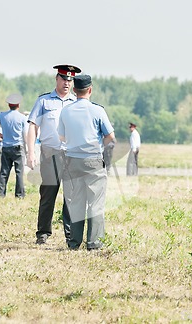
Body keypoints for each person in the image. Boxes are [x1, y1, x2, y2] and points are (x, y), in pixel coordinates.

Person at [58, 74, 115, 250]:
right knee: (95, 202)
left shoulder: (65, 110)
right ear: (90, 90)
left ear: (74, 90)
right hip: (93, 160)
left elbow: (62, 136)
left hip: (72, 160)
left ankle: (74, 242)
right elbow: (110, 136)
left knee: (76, 202)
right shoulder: (98, 111)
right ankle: (94, 242)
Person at [27, 64, 80, 245]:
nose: (67, 83)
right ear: (57, 79)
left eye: (70, 80)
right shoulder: (44, 101)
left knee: (71, 196)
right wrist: (30, 152)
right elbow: (33, 126)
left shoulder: (77, 102)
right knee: (48, 194)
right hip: (50, 155)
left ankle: (71, 235)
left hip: (72, 155)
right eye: (64, 79)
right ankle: (43, 233)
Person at [0, 94, 28, 198]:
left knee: (4, 172)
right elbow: (25, 134)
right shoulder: (22, 117)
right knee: (19, 172)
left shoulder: (2, 116)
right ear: (18, 105)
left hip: (6, 146)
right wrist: (27, 149)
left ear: (9, 105)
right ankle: (19, 195)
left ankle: (0, 194)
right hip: (18, 147)